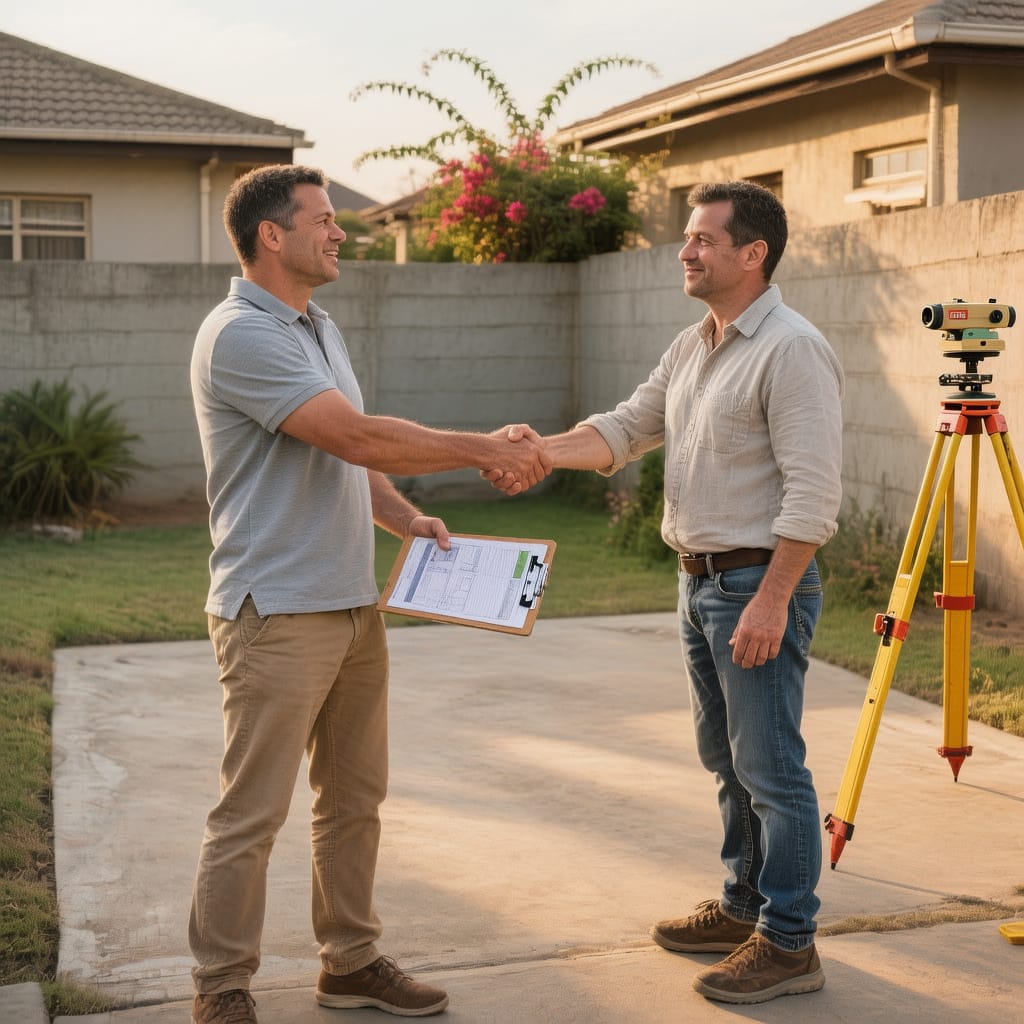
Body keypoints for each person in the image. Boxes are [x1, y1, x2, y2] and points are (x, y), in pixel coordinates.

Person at [187, 163, 550, 1024]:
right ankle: (221, 986)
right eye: (322, 219)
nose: (339, 231)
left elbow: (347, 454)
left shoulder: (317, 326)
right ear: (272, 235)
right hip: (275, 612)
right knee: (252, 812)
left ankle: (349, 961)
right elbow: (353, 431)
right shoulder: (241, 333)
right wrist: (483, 447)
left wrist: (403, 517)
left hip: (350, 605)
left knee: (354, 801)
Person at [490, 180, 843, 1004]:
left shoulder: (790, 349)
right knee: (726, 761)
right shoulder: (695, 346)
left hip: (757, 582)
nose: (685, 252)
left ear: (752, 254)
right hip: (697, 585)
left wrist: (773, 598)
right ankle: (743, 905)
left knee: (771, 767)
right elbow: (625, 427)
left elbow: (814, 495)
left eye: (703, 241)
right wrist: (537, 448)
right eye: (687, 239)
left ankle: (790, 942)